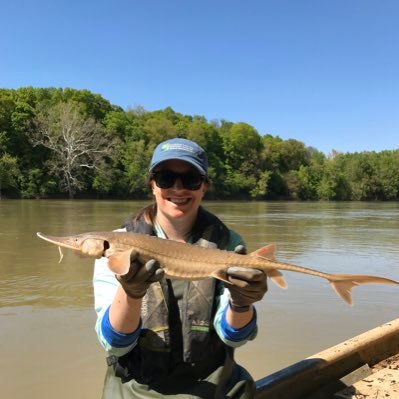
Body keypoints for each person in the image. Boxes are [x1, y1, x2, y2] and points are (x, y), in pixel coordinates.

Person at [93, 138, 268, 398]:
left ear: (204, 186)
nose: (177, 188)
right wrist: (130, 292)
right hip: (138, 386)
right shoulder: (115, 244)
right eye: (165, 178)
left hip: (213, 383)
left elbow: (235, 338)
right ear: (152, 184)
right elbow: (116, 344)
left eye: (190, 179)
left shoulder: (228, 243)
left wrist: (241, 304)